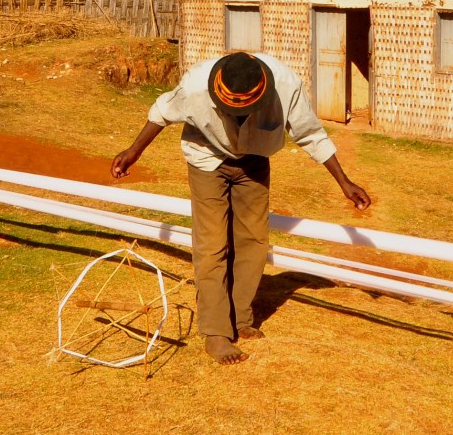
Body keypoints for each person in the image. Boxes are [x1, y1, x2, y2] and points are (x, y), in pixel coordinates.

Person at [112, 50, 372, 365]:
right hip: (206, 158)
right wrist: (133, 151)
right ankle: (216, 332)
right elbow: (161, 113)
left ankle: (241, 318)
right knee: (212, 243)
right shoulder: (196, 85)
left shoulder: (285, 85)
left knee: (253, 240)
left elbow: (310, 134)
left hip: (254, 159)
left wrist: (344, 182)